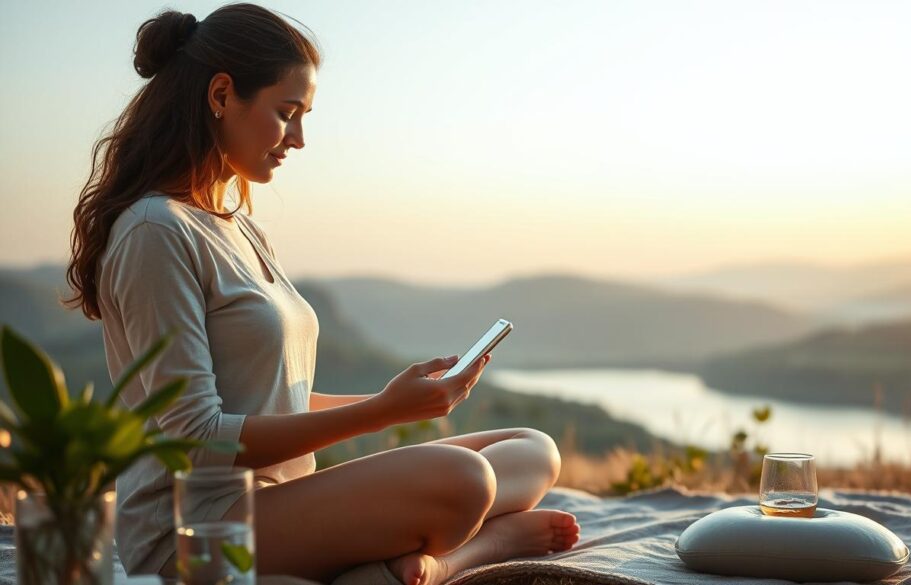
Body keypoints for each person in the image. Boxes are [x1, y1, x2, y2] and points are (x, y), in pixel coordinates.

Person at [64, 4, 581, 584]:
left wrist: (390, 401)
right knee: (465, 481)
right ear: (221, 95)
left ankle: (408, 563)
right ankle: (460, 558)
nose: (300, 139)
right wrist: (380, 414)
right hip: (197, 529)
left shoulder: (236, 225)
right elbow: (194, 438)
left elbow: (269, 397)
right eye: (287, 114)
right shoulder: (156, 231)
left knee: (532, 447)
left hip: (284, 497)